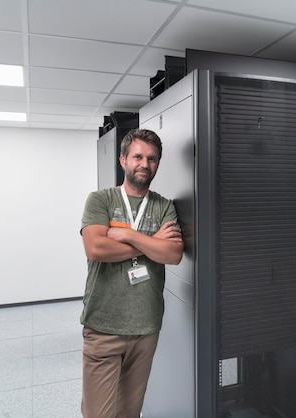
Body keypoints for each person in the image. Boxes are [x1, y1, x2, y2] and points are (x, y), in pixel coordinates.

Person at [79, 128, 184, 417]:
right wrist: (151, 242)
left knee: (130, 411)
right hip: (104, 325)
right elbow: (96, 248)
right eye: (138, 156)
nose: (144, 164)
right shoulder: (101, 200)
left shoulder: (165, 206)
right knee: (98, 413)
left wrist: (128, 236)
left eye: (152, 159)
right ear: (123, 160)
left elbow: (173, 254)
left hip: (145, 327)